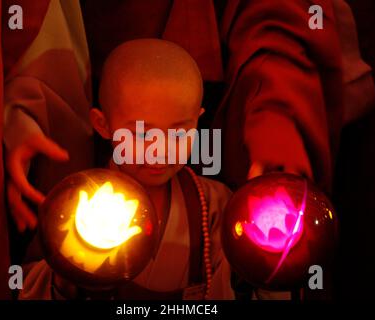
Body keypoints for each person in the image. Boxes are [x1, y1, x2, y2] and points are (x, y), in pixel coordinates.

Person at [19, 39, 235, 300]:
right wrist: (70, 267)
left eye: (179, 132)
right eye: (141, 134)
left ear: (197, 121)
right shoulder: (73, 206)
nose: (160, 150)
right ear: (103, 124)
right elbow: (26, 286)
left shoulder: (213, 206)